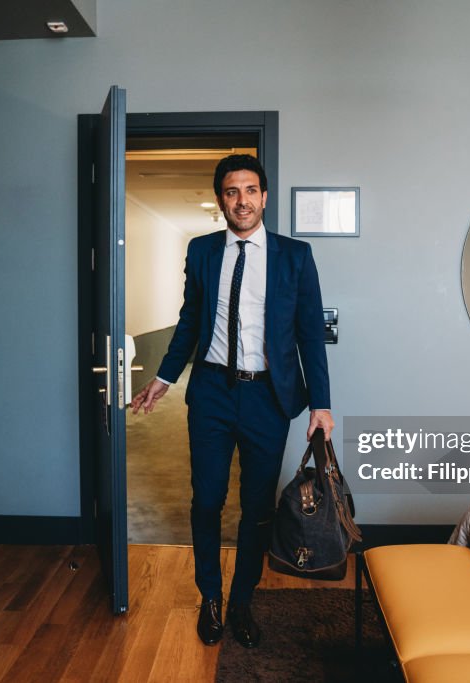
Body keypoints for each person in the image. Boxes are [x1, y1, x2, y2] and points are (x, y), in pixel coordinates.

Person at [130, 154, 333, 648]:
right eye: (230, 191)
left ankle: (243, 599)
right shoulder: (202, 252)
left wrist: (320, 403)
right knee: (207, 499)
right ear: (221, 198)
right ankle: (211, 598)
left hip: (268, 395)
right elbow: (190, 321)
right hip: (213, 393)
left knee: (257, 507)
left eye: (249, 191)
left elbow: (309, 334)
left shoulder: (294, 255)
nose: (241, 200)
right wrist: (163, 377)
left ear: (263, 197)